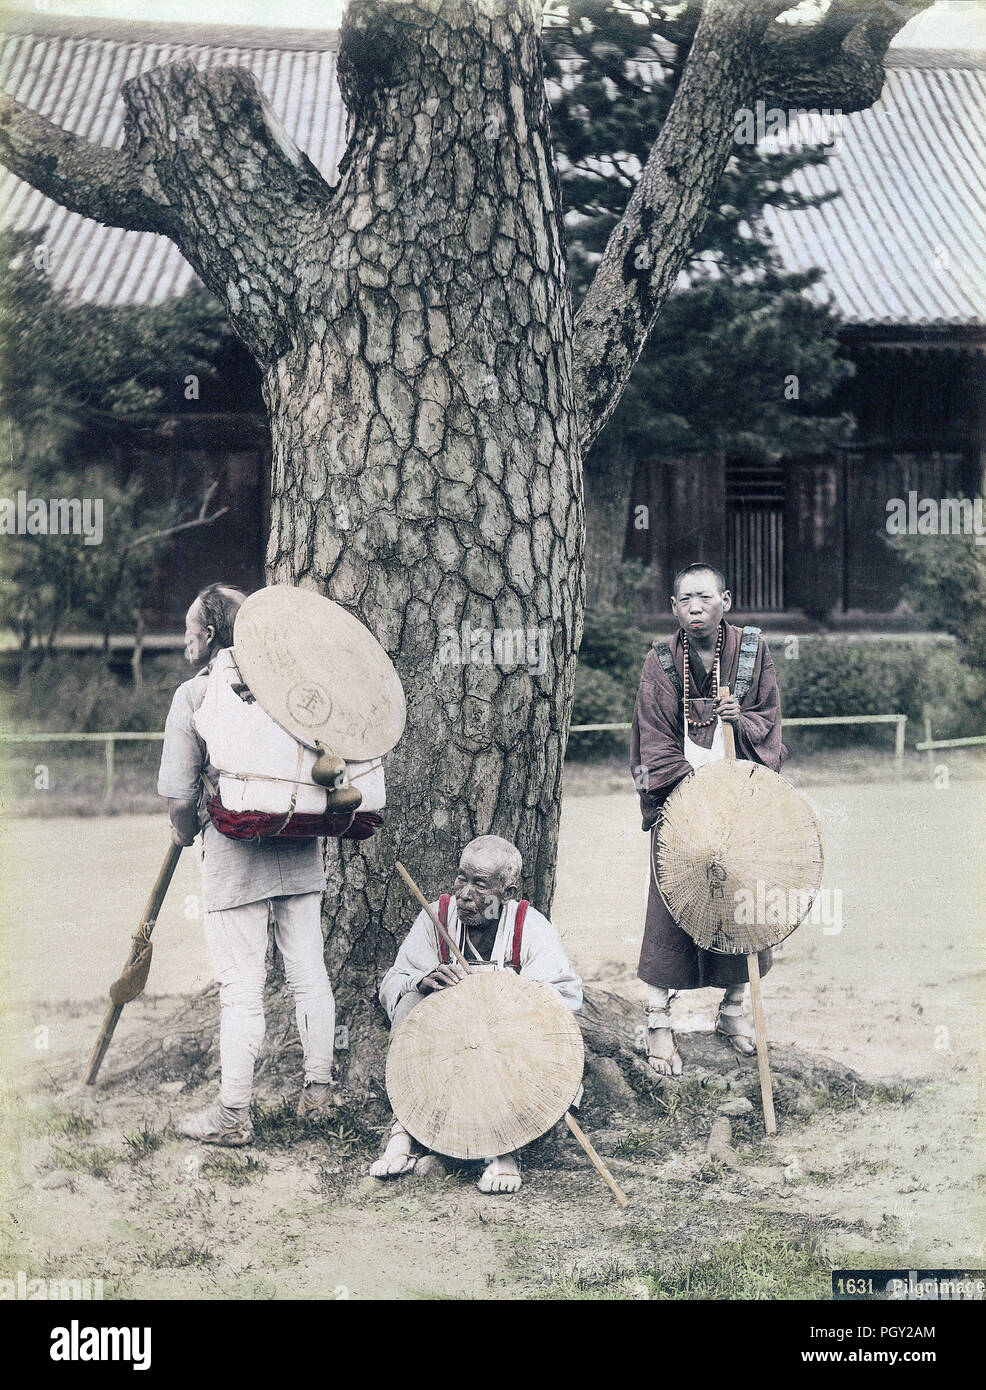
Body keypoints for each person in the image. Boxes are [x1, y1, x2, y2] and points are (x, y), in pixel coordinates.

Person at [159, 583, 338, 1146]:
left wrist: (185, 834)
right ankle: (319, 1094)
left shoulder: (196, 695)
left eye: (190, 628)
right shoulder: (290, 693)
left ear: (209, 635)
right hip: (300, 846)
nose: (185, 638)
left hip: (236, 858)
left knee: (242, 986)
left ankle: (234, 1112)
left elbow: (179, 797)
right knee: (309, 972)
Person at [631, 563, 787, 1078]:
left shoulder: (750, 650)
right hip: (681, 802)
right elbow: (651, 738)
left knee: (741, 901)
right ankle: (657, 1019)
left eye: (704, 597)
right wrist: (686, 791)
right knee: (671, 902)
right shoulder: (660, 661)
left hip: (736, 797)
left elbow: (769, 717)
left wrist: (738, 720)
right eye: (684, 600)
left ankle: (735, 1010)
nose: (694, 607)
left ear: (726, 598)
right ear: (674, 608)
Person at [370, 835, 582, 1194]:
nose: (465, 893)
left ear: (508, 893)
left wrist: (505, 996)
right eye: (461, 878)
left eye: (481, 884)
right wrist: (422, 981)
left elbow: (564, 998)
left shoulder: (528, 926)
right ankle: (404, 1129)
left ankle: (504, 1148)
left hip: (504, 1055)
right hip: (448, 1051)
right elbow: (394, 981)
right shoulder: (437, 918)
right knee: (409, 1003)